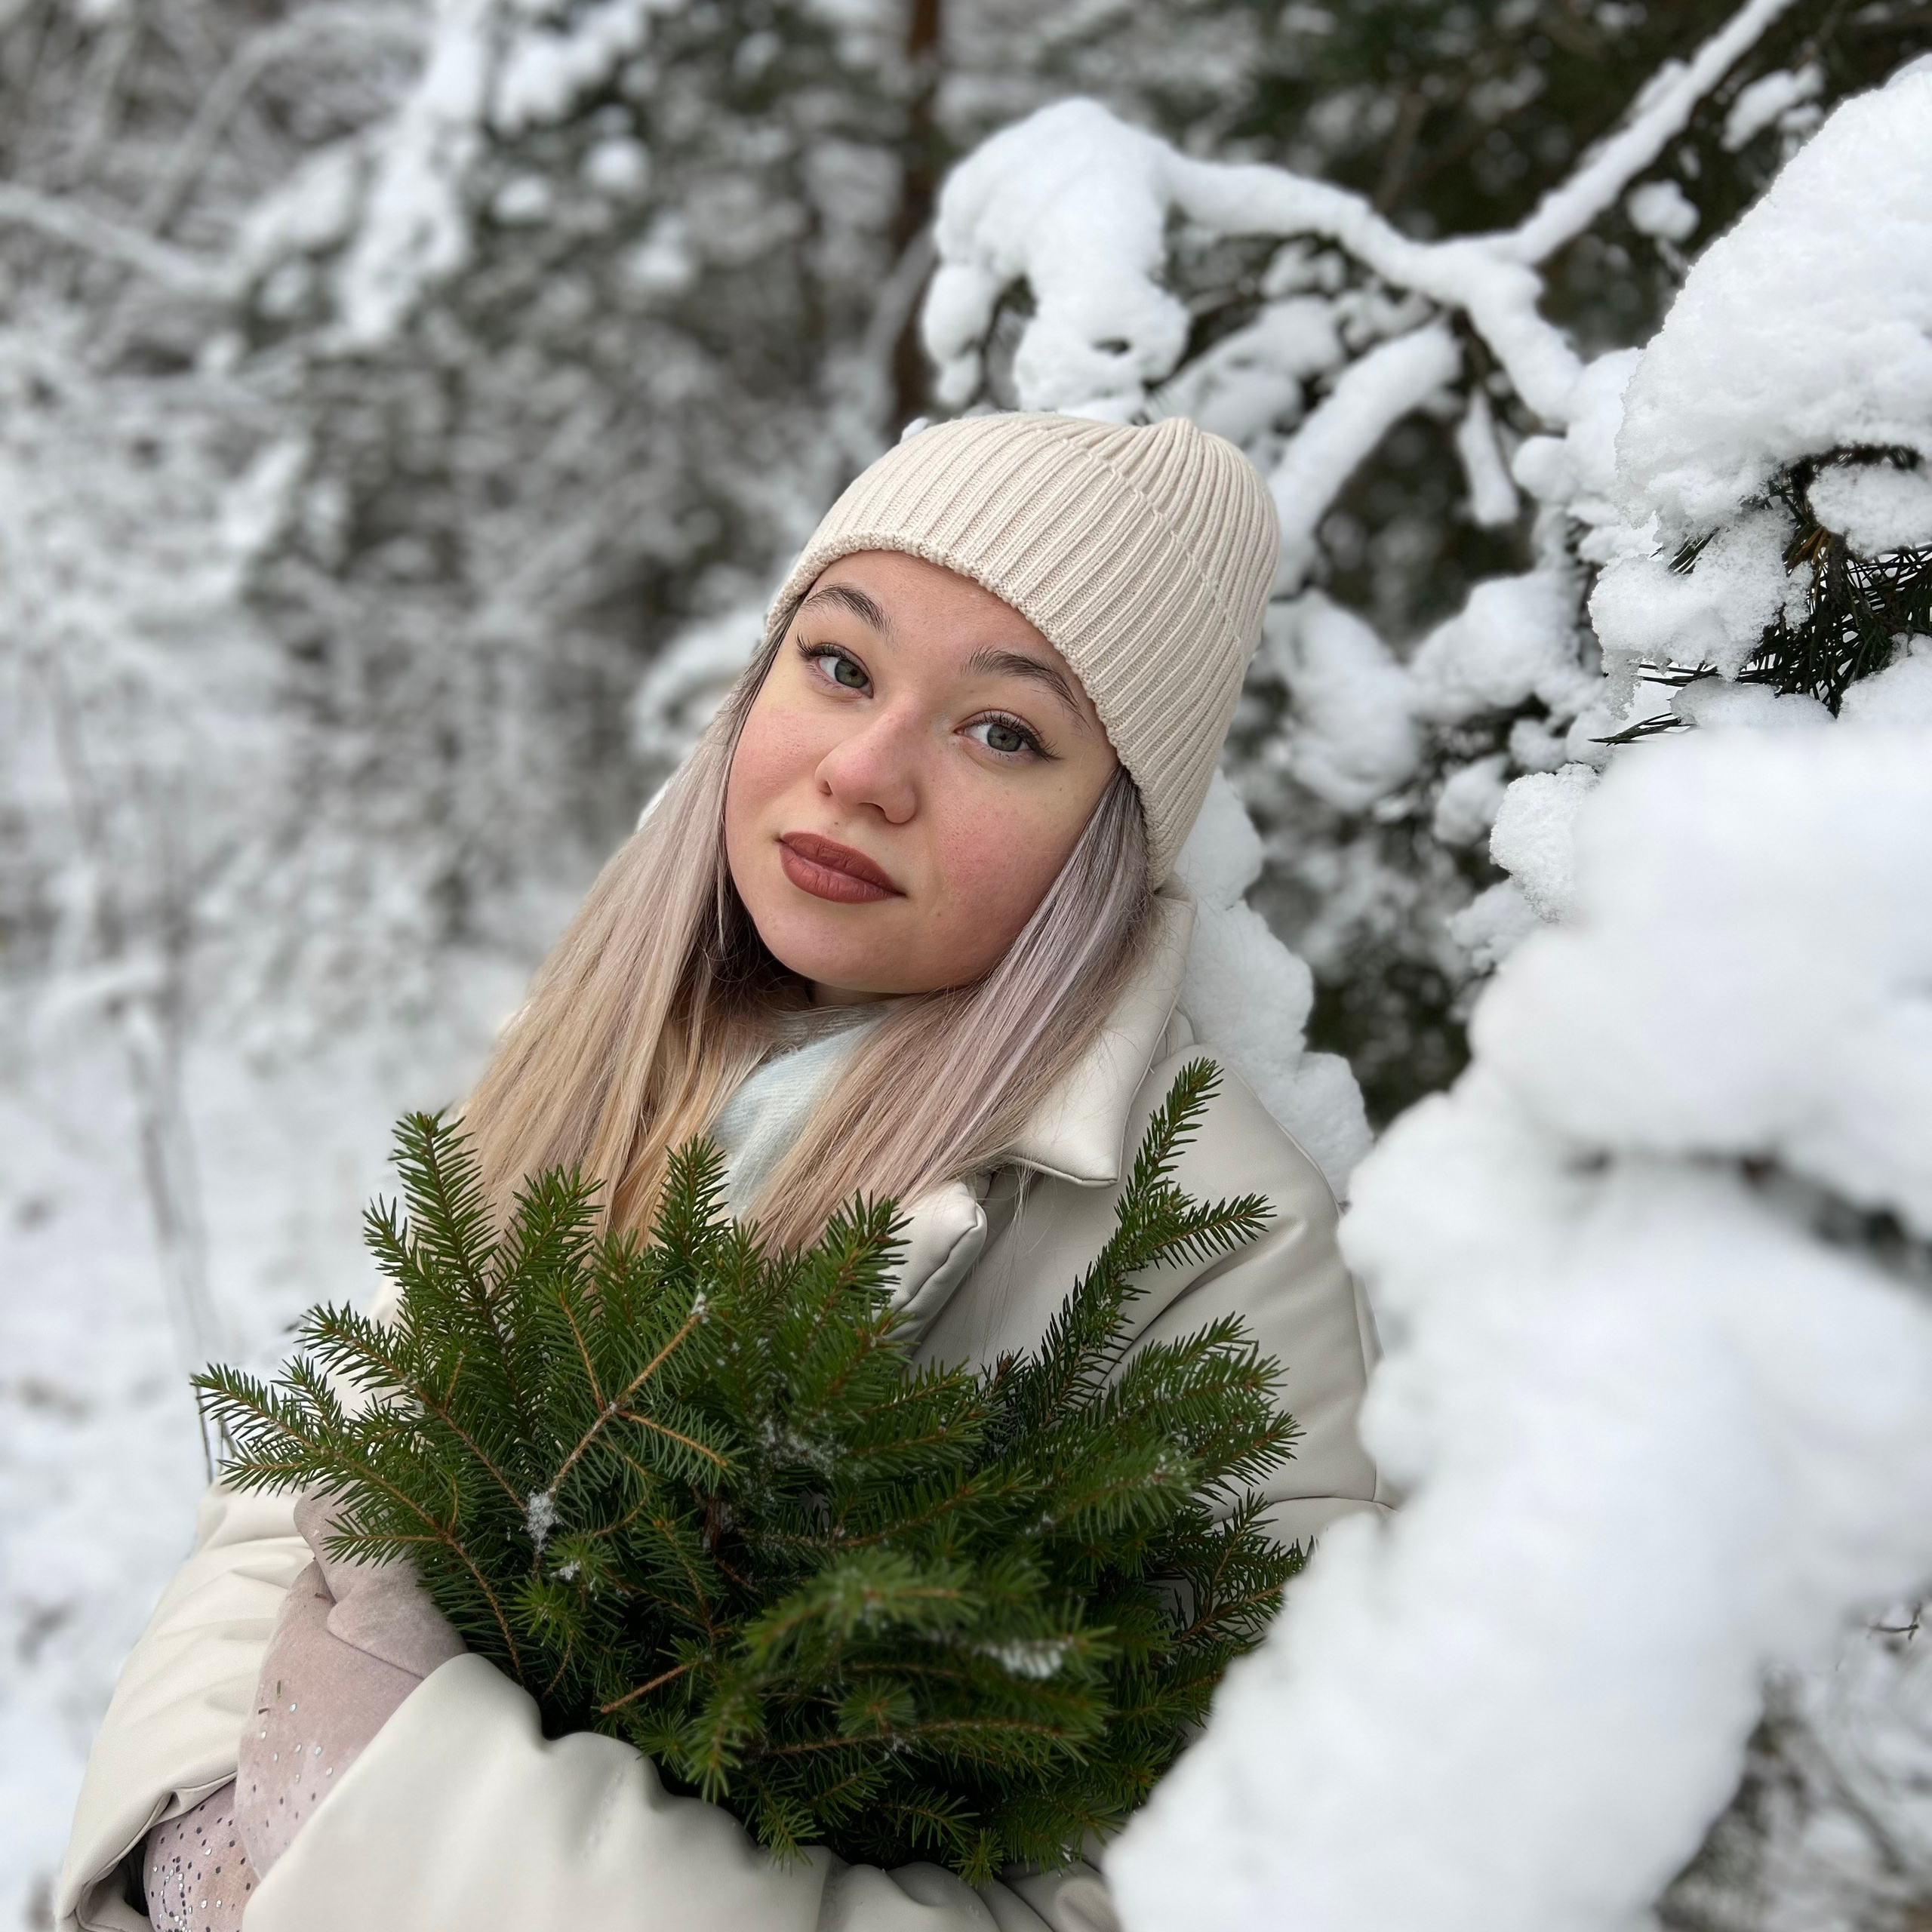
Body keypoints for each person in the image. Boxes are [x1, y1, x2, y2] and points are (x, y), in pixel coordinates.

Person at [59, 411, 1390, 1932]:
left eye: (1001, 731)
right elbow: (290, 1510)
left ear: (1108, 831)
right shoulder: (616, 1054)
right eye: (838, 663)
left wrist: (403, 1823)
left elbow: (1193, 1894)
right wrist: (195, 1855)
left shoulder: (1211, 1242)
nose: (866, 770)